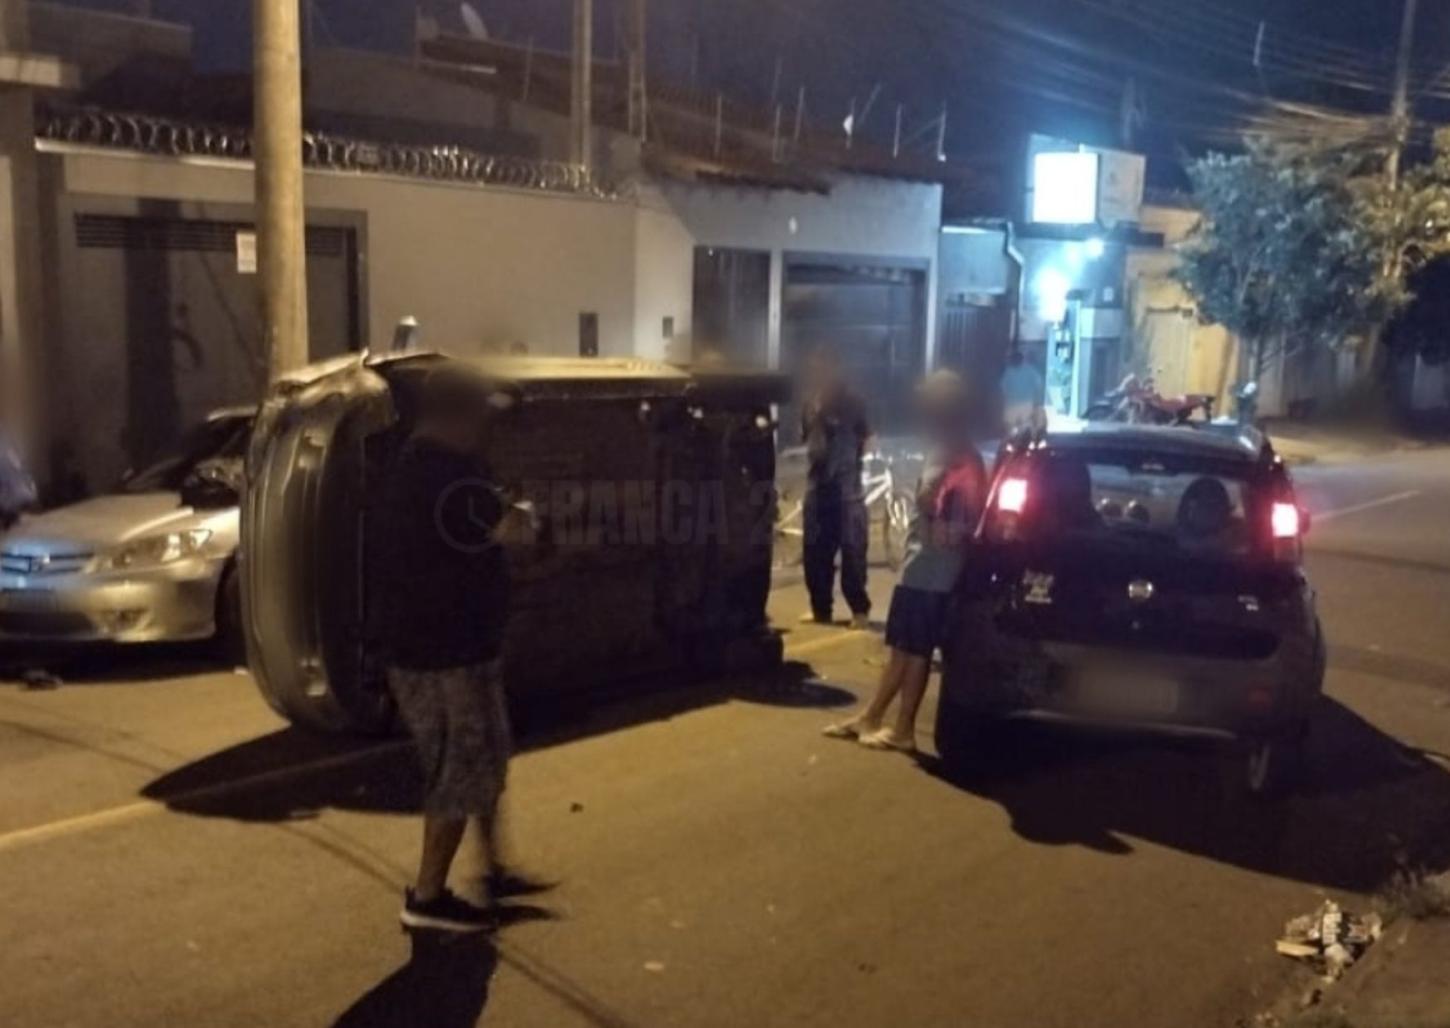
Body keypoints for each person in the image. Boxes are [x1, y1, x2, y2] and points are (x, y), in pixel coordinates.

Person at [376, 368, 529, 933]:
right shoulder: (439, 475)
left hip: (460, 646)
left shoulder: (433, 465)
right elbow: (513, 527)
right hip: (439, 655)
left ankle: (493, 869)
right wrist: (523, 513)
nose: (484, 426)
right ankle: (426, 898)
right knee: (459, 771)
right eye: (477, 415)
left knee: (484, 759)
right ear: (452, 416)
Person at [823, 369, 985, 752]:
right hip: (933, 565)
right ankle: (878, 719)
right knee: (907, 648)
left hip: (930, 566)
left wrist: (931, 513)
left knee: (911, 650)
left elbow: (935, 499)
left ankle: (900, 726)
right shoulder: (963, 448)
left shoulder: (950, 449)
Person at [798, 347, 872, 629]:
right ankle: (821, 609)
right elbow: (807, 437)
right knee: (815, 553)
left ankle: (859, 610)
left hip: (846, 492)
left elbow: (867, 437)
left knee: (852, 553)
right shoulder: (810, 402)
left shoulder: (853, 402)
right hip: (817, 488)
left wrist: (851, 464)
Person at [999, 344, 1045, 437]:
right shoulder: (1029, 370)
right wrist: (1036, 399)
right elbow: (1039, 384)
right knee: (1023, 426)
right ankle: (1022, 443)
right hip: (1023, 403)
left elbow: (1003, 387)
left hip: (1014, 404)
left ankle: (1015, 443)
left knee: (1012, 426)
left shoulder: (1009, 371)